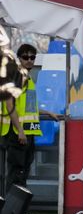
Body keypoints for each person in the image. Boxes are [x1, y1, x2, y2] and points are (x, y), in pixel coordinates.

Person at [1, 44, 61, 199]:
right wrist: (20, 130)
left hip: (27, 132)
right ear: (19, 59)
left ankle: (17, 209)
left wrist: (47, 112)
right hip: (17, 133)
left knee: (22, 172)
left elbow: (29, 107)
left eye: (32, 57)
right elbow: (9, 105)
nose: (29, 60)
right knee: (17, 173)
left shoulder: (28, 79)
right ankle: (11, 211)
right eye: (25, 57)